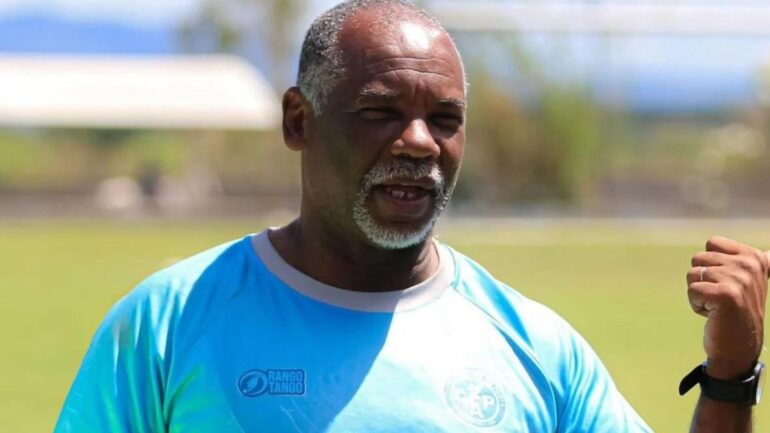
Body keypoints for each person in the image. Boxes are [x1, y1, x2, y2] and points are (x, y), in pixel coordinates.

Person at [54, 1, 770, 432]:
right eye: (381, 112)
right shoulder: (165, 324)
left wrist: (731, 376)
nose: (421, 143)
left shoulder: (537, 347)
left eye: (445, 119)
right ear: (299, 120)